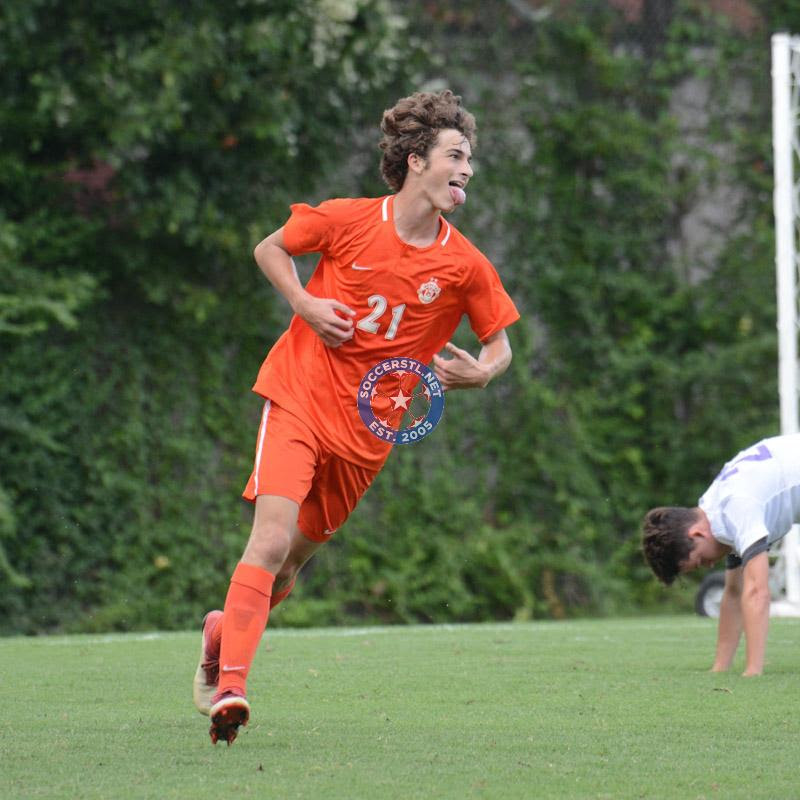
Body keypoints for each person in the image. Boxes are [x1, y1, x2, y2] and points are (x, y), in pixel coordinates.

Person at [193, 90, 520, 745]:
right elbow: (269, 249)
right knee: (270, 541)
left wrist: (482, 372)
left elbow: (500, 346)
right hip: (299, 397)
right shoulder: (346, 220)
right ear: (416, 160)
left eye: (470, 159)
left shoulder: (464, 265)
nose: (467, 169)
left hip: (367, 436)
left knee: (288, 569)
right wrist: (304, 304)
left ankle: (219, 637)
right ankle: (230, 688)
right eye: (456, 155)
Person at [641, 433, 800, 677]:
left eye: (700, 561)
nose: (709, 565)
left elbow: (757, 592)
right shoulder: (715, 510)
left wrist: (752, 672)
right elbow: (734, 592)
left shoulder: (736, 506)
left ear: (697, 534)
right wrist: (719, 669)